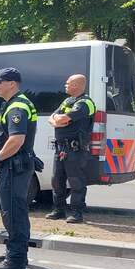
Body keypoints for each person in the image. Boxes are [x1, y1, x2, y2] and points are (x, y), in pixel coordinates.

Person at [0, 68, 37, 269]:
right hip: (13, 165)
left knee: (13, 212)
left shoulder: (17, 106)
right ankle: (17, 252)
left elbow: (16, 140)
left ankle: (15, 260)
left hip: (14, 166)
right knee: (15, 211)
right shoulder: (13, 103)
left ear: (12, 84)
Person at [46, 74, 96, 224]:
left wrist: (59, 120)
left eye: (68, 83)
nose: (65, 85)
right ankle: (58, 210)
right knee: (57, 180)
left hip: (75, 149)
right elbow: (52, 117)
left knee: (76, 182)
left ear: (77, 85)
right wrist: (57, 121)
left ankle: (77, 213)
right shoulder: (68, 101)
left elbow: (63, 118)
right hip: (60, 148)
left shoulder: (85, 103)